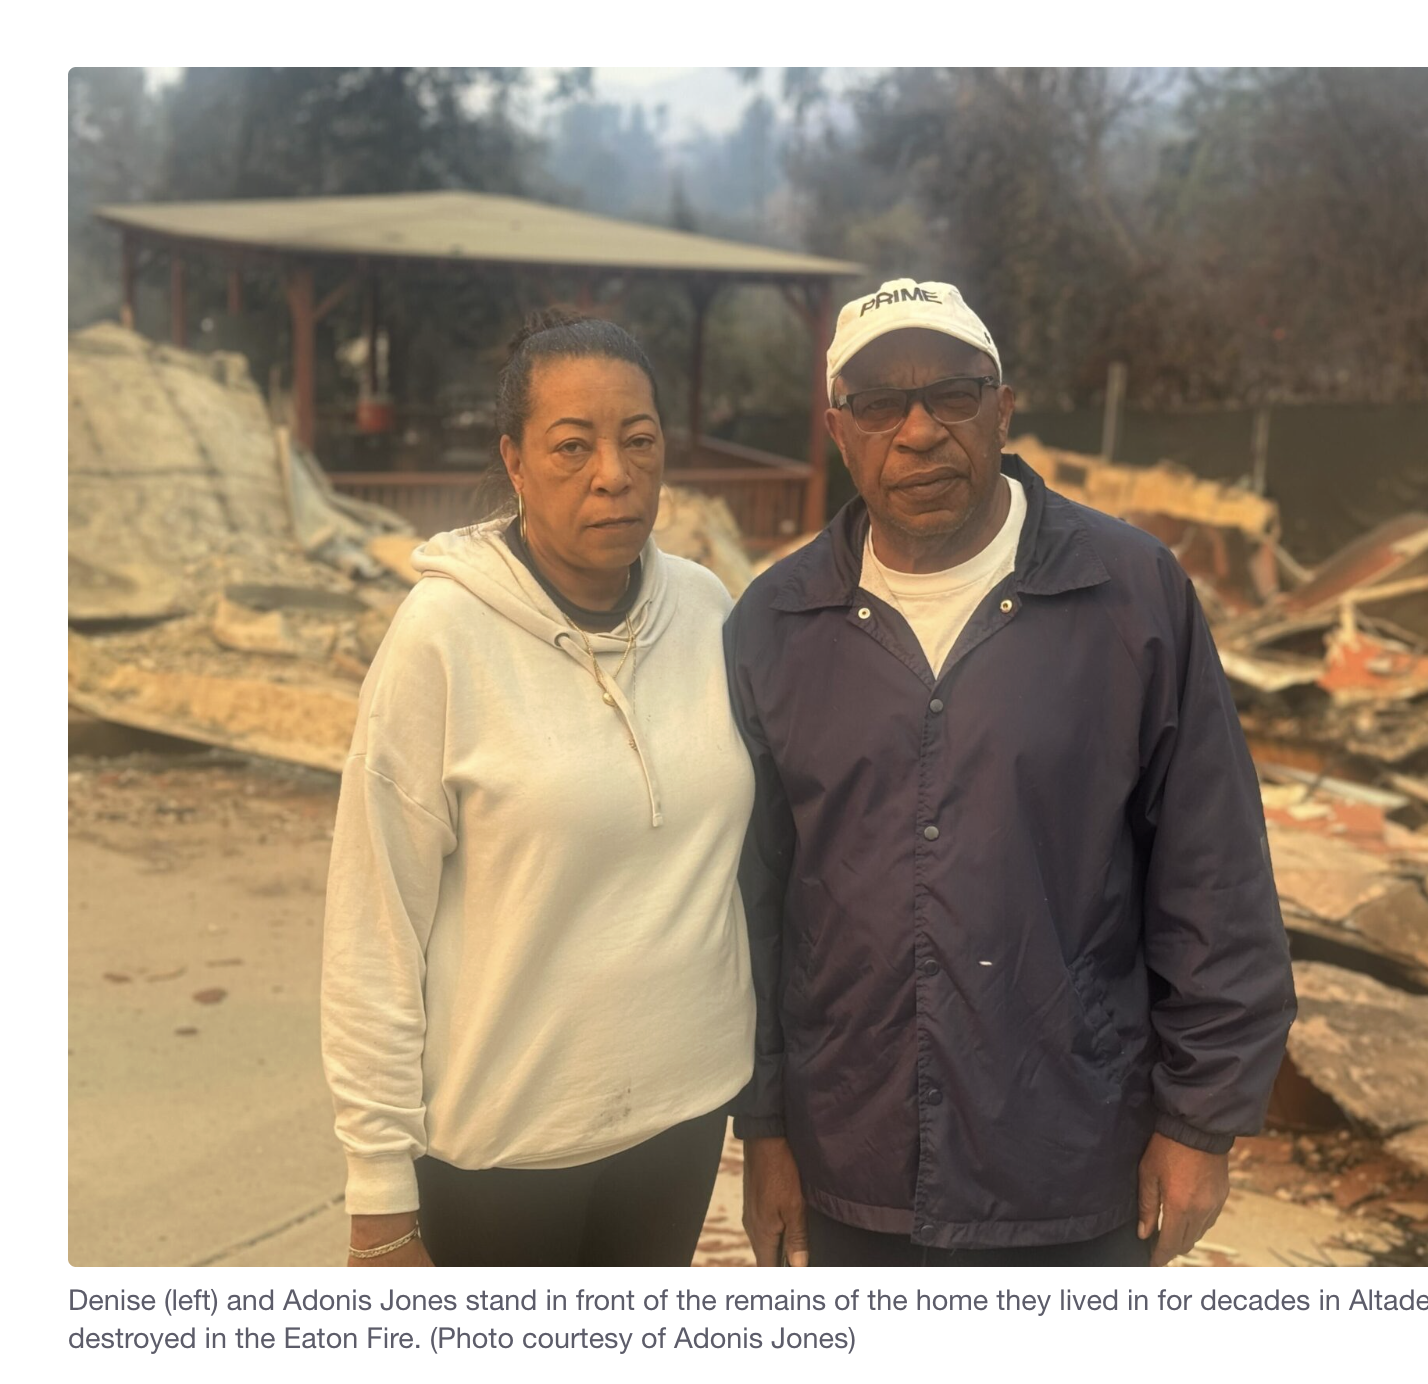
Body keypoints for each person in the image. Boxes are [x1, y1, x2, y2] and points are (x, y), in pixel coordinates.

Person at [726, 278, 1296, 1268]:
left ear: (1004, 408)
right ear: (837, 429)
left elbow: (1213, 873)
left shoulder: (1130, 595)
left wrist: (1201, 1123)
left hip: (1073, 1164)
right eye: (878, 404)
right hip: (852, 1165)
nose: (917, 431)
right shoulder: (776, 624)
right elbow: (755, 904)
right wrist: (765, 1128)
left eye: (952, 393)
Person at [321, 309, 756, 1268]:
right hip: (505, 1150)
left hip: (683, 1118)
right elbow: (373, 928)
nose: (614, 473)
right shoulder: (442, 638)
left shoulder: (708, 610)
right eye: (573, 446)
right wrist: (380, 1198)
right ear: (514, 463)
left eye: (639, 441)